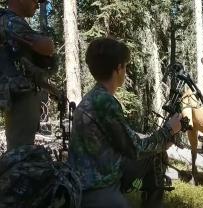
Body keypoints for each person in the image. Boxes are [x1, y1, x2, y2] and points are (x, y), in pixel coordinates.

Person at [67, 37, 182, 208]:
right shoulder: (105, 102)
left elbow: (122, 139)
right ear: (118, 69)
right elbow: (135, 149)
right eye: (125, 66)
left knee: (155, 154)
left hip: (84, 179)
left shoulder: (94, 97)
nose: (126, 70)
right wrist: (168, 130)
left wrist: (160, 139)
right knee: (153, 154)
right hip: (96, 187)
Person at [0, 0, 55, 150]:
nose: (37, 5)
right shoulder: (11, 22)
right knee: (20, 150)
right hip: (19, 97)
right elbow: (47, 46)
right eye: (34, 0)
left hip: (20, 94)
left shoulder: (11, 22)